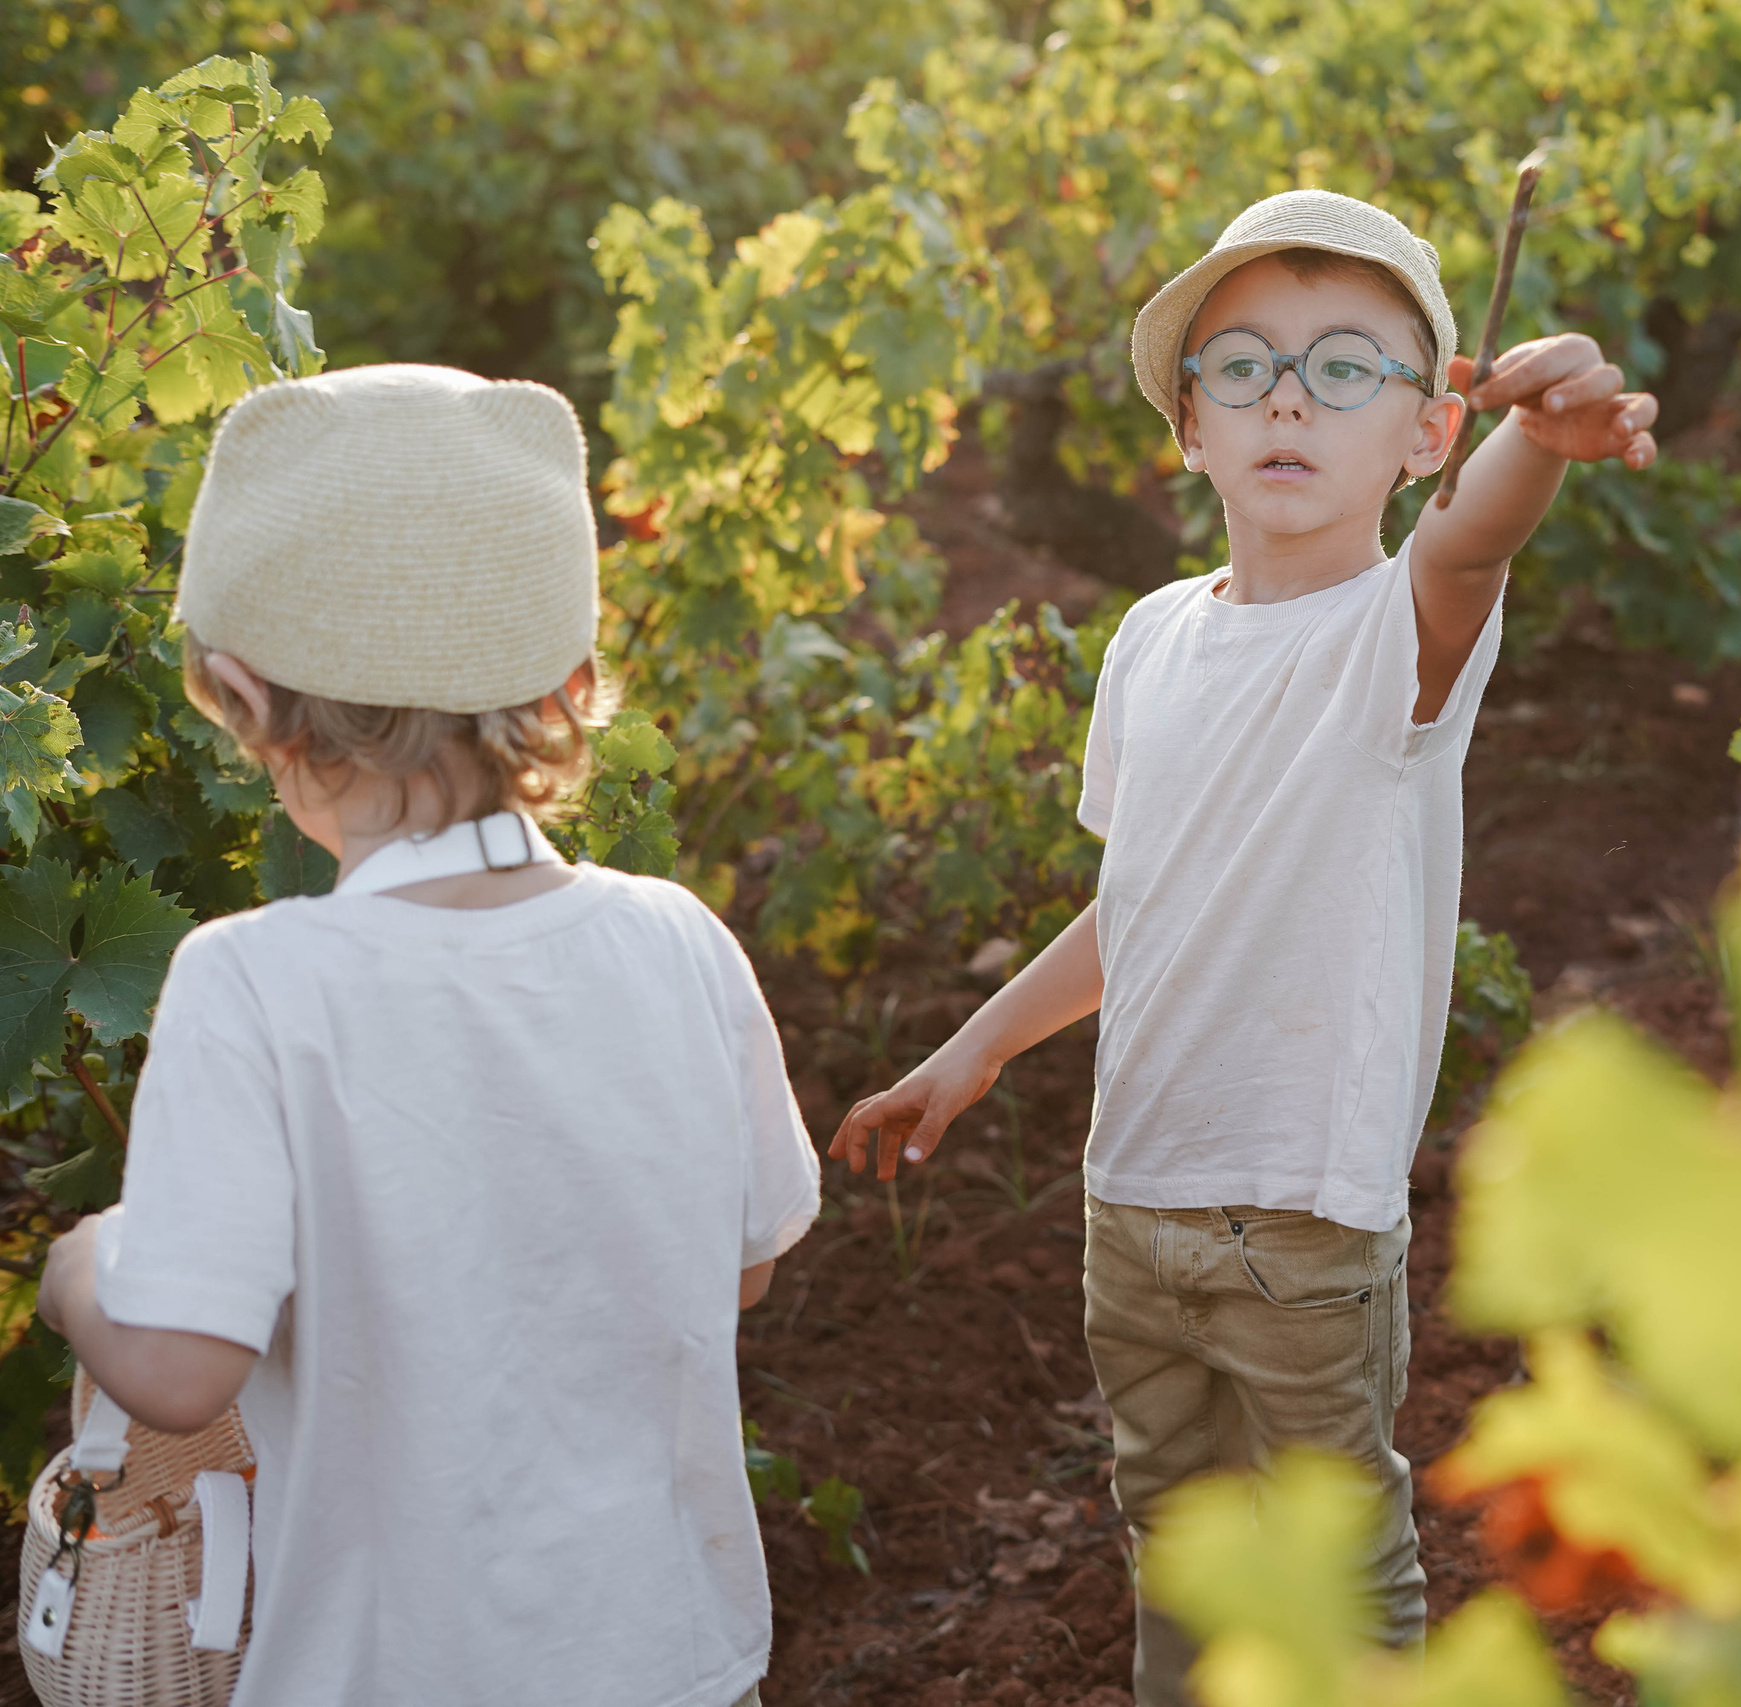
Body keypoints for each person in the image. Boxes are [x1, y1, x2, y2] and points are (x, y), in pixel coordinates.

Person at [831, 189, 1657, 1701]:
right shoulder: (1151, 639)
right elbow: (1144, 899)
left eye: (1345, 367)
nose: (1288, 397)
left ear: (1427, 432)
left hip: (1302, 1217)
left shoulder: (1394, 637)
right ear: (1190, 429)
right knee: (1179, 1538)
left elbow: (1471, 550)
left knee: (1338, 1558)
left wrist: (1538, 441)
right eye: (1243, 366)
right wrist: (973, 1052)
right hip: (1132, 1193)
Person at [34, 364, 820, 1707]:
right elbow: (742, 1270)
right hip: (677, 1664)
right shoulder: (678, 939)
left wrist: (77, 1267)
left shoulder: (255, 982)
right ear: (570, 681)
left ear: (242, 696)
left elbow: (176, 1366)